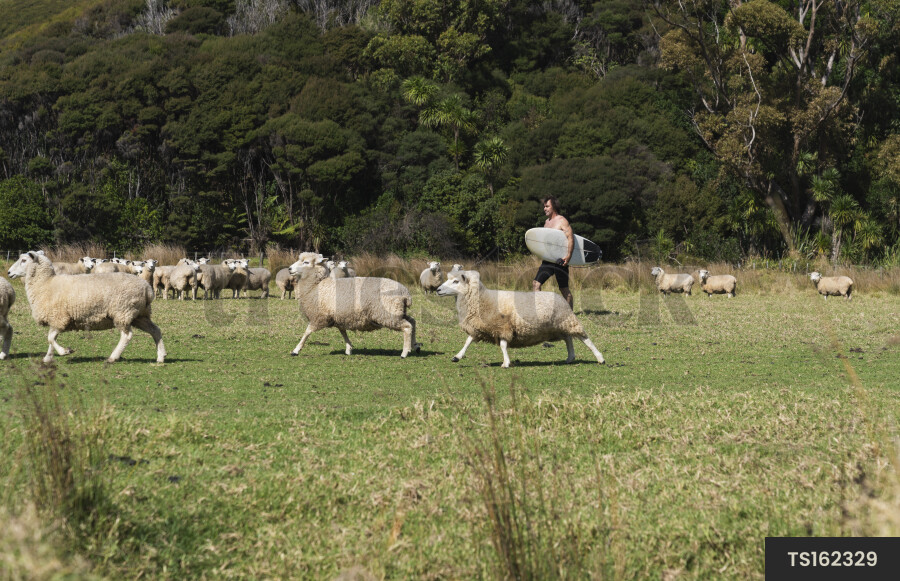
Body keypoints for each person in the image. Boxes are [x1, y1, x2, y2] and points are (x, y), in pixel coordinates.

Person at [532, 196, 574, 309]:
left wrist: (568, 256)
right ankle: (540, 311)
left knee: (564, 289)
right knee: (536, 284)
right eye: (544, 206)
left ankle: (570, 313)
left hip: (560, 260)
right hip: (548, 260)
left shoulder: (562, 221)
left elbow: (570, 238)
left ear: (554, 206)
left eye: (547, 206)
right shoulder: (546, 222)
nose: (544, 209)